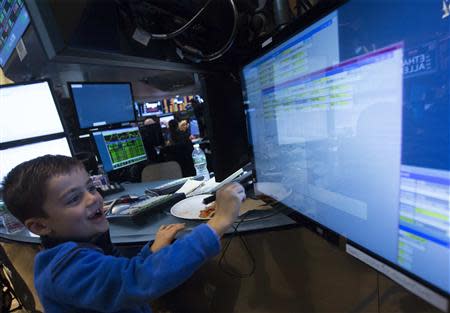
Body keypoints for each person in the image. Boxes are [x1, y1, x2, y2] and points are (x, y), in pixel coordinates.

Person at [1, 155, 245, 313]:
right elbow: (134, 281)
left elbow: (118, 273)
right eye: (74, 198)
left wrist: (151, 251)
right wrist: (219, 222)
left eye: (90, 187)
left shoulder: (80, 248)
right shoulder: (65, 270)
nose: (93, 198)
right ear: (40, 226)